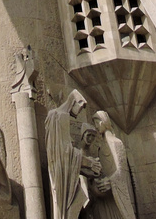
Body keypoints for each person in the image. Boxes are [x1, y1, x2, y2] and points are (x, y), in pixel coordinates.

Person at [46, 89, 100, 219]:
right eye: (80, 108)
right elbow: (66, 151)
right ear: (73, 103)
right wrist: (89, 163)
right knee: (68, 205)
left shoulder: (52, 115)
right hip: (63, 172)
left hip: (55, 168)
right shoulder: (62, 116)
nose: (79, 112)